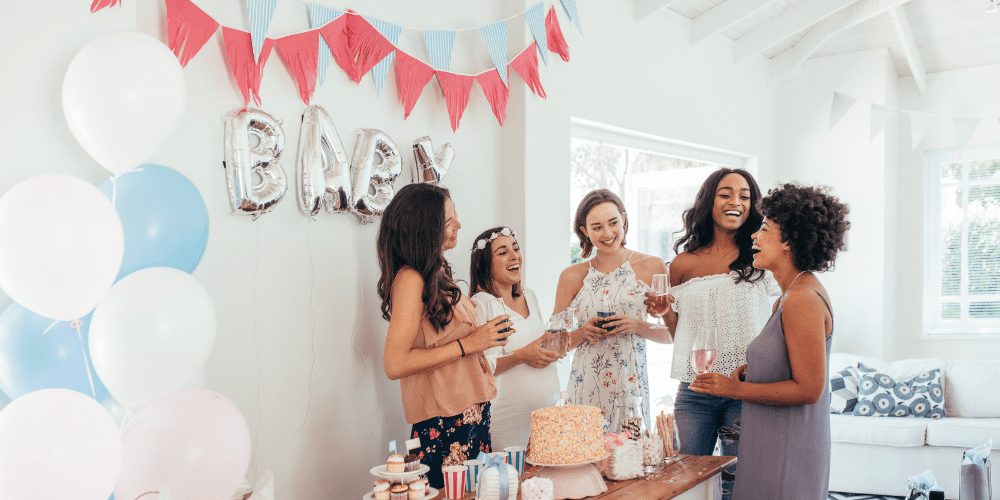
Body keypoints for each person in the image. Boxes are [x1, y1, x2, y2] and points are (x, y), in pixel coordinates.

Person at [690, 183, 848, 499]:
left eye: (764, 229)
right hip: (773, 443)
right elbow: (789, 359)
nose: (754, 236)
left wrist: (734, 389)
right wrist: (755, 368)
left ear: (788, 240)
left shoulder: (802, 299)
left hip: (787, 451)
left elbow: (809, 388)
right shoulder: (789, 296)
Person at [645, 168, 779, 500]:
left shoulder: (761, 257)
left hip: (746, 388)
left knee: (741, 485)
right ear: (710, 200)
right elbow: (683, 336)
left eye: (745, 196)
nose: (736, 202)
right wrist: (665, 313)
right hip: (696, 390)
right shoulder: (682, 264)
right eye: (726, 194)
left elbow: (780, 315)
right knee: (685, 482)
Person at [376, 183, 510, 489]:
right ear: (426, 227)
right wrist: (469, 344)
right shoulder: (410, 279)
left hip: (471, 414)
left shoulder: (437, 274)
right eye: (449, 221)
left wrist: (484, 336)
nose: (459, 224)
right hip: (445, 423)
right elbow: (394, 364)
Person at [552, 189, 672, 429]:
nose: (607, 233)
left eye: (613, 223)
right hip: (584, 388)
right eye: (596, 227)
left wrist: (636, 325)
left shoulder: (652, 266)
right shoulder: (572, 276)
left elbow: (673, 334)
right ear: (584, 231)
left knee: (629, 460)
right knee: (586, 461)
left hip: (631, 390)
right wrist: (583, 333)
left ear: (624, 220)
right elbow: (551, 345)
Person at [468, 226, 563, 451]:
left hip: (544, 418)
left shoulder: (529, 295)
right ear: (483, 264)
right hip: (506, 418)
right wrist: (522, 356)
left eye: (516, 248)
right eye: (502, 252)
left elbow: (538, 343)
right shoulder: (481, 304)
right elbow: (478, 368)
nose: (514, 256)